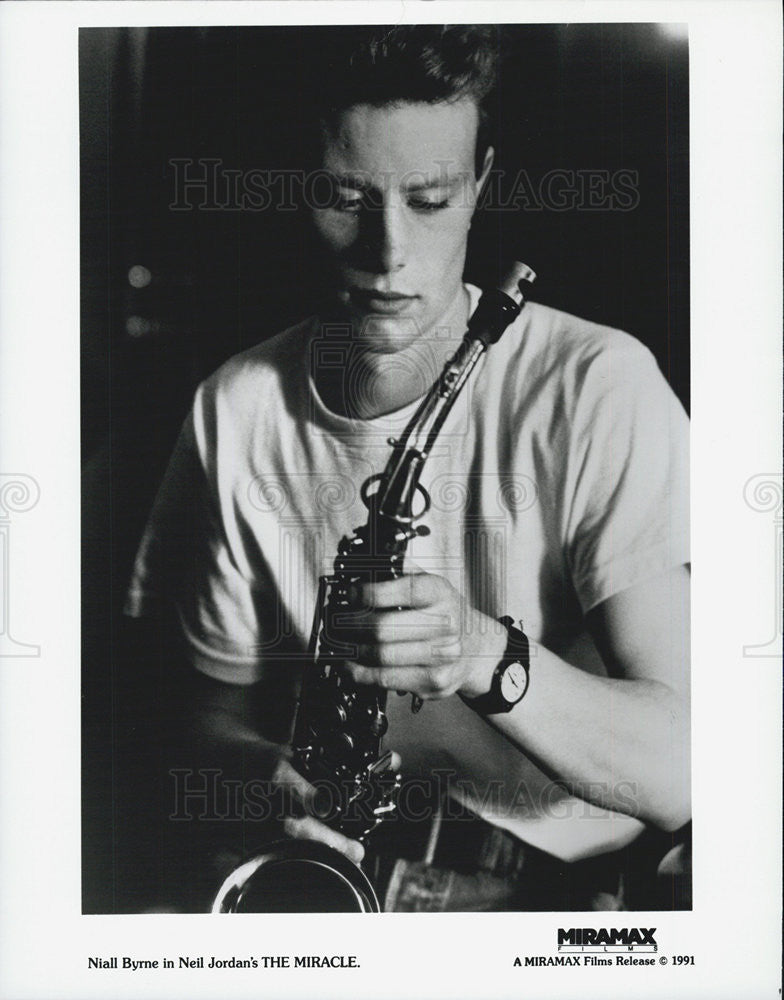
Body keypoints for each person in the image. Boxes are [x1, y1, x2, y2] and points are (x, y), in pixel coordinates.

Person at [123, 25, 690, 911]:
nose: (387, 254)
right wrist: (259, 776)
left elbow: (684, 771)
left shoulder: (598, 385)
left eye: (429, 199)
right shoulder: (233, 407)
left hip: (559, 899)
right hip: (344, 872)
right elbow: (198, 720)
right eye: (344, 196)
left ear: (481, 187)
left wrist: (480, 652)